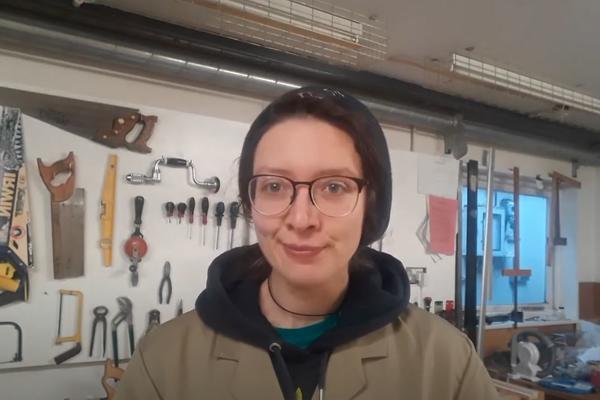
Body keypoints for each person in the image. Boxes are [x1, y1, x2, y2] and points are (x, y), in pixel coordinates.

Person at [115, 87, 499, 400]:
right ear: (251, 205)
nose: (301, 219)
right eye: (274, 186)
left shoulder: (446, 363)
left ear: (372, 203)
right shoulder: (163, 361)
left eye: (334, 187)